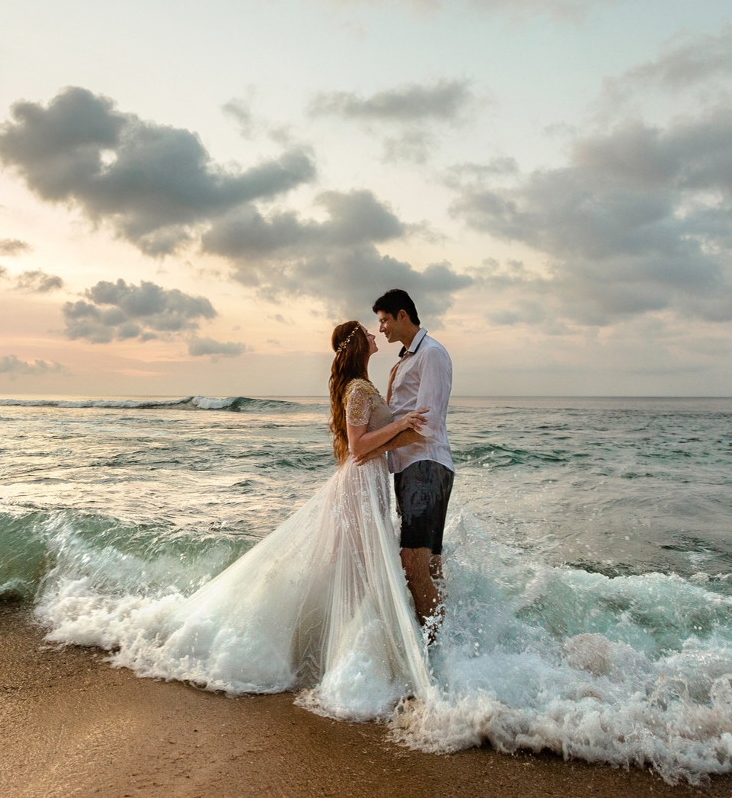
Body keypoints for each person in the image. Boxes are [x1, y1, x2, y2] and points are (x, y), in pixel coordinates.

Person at [76, 320, 433, 719]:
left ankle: (349, 653)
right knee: (360, 567)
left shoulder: (363, 386)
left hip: (370, 484)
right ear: (356, 345)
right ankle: (351, 663)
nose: (373, 334)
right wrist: (403, 424)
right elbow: (357, 446)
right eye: (367, 332)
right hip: (360, 485)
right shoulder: (356, 389)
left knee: (359, 566)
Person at [371, 289, 454, 630]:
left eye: (385, 320)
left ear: (403, 315)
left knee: (412, 565)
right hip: (408, 467)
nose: (381, 329)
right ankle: (448, 644)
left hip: (426, 465)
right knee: (429, 566)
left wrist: (373, 449)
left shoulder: (431, 354)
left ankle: (434, 652)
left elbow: (427, 425)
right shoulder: (405, 360)